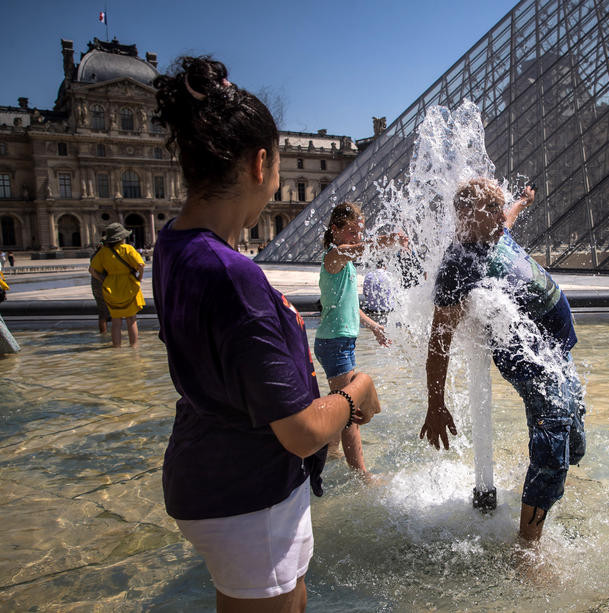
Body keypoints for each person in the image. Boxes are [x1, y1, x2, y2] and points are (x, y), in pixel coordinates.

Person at [151, 56, 382, 611]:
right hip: (247, 492)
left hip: (209, 467)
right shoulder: (232, 276)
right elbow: (300, 432)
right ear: (260, 163)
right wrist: (357, 394)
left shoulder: (173, 245)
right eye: (278, 164)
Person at [421, 178, 586, 545]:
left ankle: (546, 489)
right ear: (467, 215)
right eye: (492, 209)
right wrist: (436, 404)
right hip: (532, 362)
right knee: (552, 446)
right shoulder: (457, 266)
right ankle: (528, 546)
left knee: (574, 442)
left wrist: (523, 202)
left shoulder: (493, 232)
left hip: (556, 353)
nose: (501, 215)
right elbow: (438, 342)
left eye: (500, 207)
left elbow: (508, 217)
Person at [314, 201, 406, 478]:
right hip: (335, 344)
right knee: (349, 410)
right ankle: (362, 475)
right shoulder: (334, 256)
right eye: (351, 231)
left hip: (339, 342)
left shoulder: (346, 265)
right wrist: (389, 240)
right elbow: (360, 249)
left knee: (340, 400)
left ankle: (330, 452)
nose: (356, 237)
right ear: (335, 229)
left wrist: (374, 326)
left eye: (359, 231)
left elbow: (350, 305)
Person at [89, 222, 145, 347]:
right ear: (122, 237)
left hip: (110, 286)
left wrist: (103, 280)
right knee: (131, 319)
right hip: (129, 284)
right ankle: (134, 347)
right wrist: (139, 278)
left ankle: (117, 348)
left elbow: (91, 270)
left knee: (116, 321)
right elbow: (140, 265)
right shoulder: (128, 249)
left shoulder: (103, 252)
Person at [88, 241, 111, 334]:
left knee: (102, 311)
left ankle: (104, 332)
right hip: (102, 284)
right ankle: (107, 332)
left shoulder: (95, 254)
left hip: (97, 284)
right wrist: (102, 279)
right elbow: (91, 270)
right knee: (107, 311)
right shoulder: (102, 255)